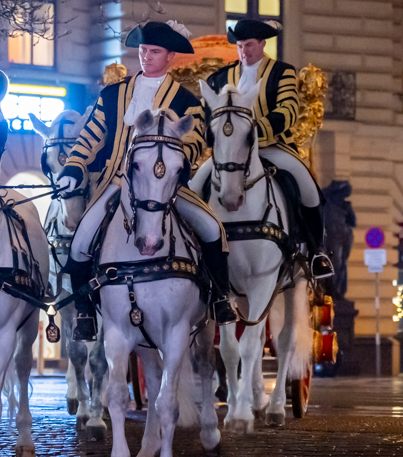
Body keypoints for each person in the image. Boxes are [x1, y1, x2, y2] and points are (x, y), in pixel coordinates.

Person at [56, 21, 238, 342]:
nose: (146, 57)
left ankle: (220, 297)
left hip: (167, 186)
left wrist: (176, 164)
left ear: (170, 56)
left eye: (154, 51)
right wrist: (73, 166)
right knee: (81, 240)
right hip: (116, 183)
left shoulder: (186, 100)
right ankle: (85, 312)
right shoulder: (112, 94)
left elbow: (196, 141)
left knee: (213, 228)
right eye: (143, 51)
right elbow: (90, 136)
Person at [205, 19, 334, 280]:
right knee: (195, 185)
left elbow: (288, 111)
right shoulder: (220, 77)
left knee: (308, 186)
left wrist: (252, 133)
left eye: (249, 45)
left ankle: (317, 252)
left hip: (272, 147)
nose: (244, 51)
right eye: (240, 46)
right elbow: (209, 113)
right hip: (230, 153)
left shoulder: (281, 72)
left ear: (262, 44)